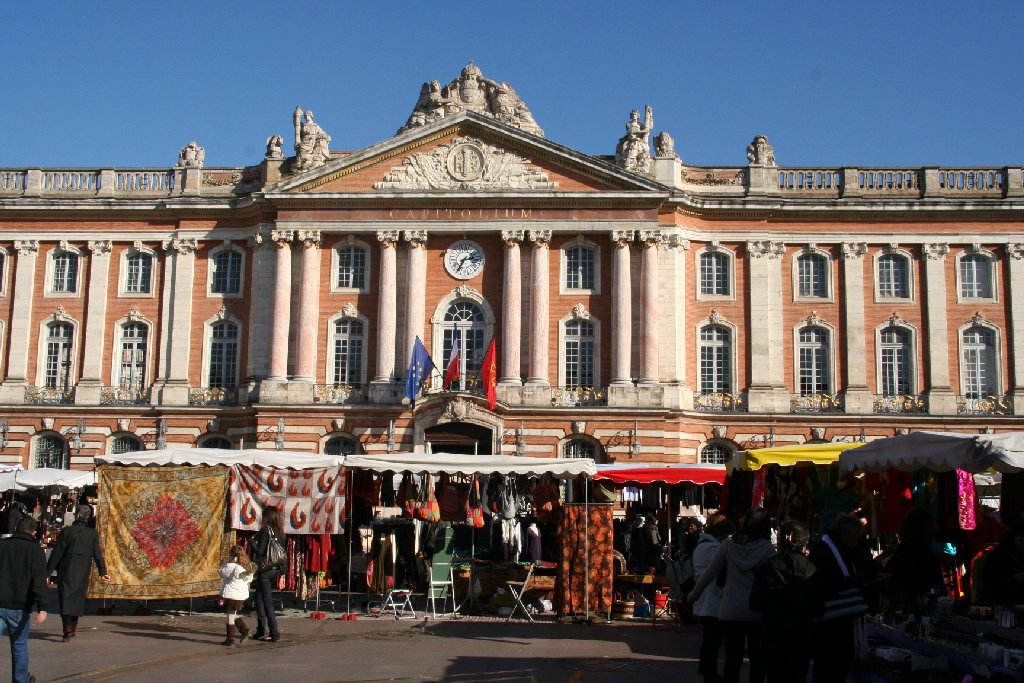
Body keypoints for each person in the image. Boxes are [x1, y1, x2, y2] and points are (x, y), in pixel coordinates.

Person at [688, 508, 775, 683]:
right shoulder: (767, 550)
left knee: (732, 660)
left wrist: (693, 594)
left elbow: (710, 573)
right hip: (755, 610)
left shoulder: (729, 545)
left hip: (730, 609)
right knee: (757, 660)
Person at [749, 520, 822, 683]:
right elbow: (818, 608)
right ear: (805, 542)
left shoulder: (768, 566)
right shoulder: (812, 569)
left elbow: (755, 603)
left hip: (774, 633)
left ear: (781, 540)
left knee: (775, 676)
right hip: (802, 635)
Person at [808, 512, 876, 683]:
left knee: (831, 669)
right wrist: (851, 582)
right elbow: (828, 583)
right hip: (831, 622)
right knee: (830, 668)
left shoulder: (835, 549)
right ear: (845, 536)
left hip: (836, 621)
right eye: (855, 539)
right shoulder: (824, 552)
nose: (855, 544)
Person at [46, 504, 110, 642]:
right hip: (83, 569)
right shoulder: (92, 534)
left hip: (66, 568)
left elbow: (57, 553)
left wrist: (48, 571)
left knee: (65, 597)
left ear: (77, 515)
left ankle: (67, 628)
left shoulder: (67, 531)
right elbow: (97, 554)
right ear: (88, 517)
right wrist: (102, 571)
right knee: (77, 598)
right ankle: (72, 627)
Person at [0, 516, 48, 683]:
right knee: (19, 646)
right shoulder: (35, 550)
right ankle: (20, 680)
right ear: (33, 533)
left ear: (16, 529)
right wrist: (42, 606)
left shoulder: (2, 546)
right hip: (20, 605)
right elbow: (39, 580)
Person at [690, 513, 737, 683]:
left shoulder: (704, 546)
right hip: (712, 601)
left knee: (711, 641)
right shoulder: (712, 549)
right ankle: (709, 674)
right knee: (712, 641)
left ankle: (709, 673)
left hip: (708, 600)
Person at [884, 507, 944, 606]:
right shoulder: (926, 555)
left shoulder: (901, 552)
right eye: (927, 528)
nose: (930, 532)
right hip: (919, 606)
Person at [251, 506, 285, 642]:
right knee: (259, 599)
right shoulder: (278, 531)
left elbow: (260, 551)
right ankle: (260, 630)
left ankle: (274, 632)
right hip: (274, 569)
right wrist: (283, 573)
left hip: (265, 570)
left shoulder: (265, 531)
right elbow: (282, 553)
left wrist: (251, 541)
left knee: (266, 601)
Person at [981, 521, 1024, 606]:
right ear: (1012, 540)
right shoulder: (997, 556)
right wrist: (1012, 579)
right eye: (1021, 541)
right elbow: (990, 583)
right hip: (1004, 603)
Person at [219, 545, 254, 646]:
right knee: (233, 613)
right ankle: (244, 630)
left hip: (232, 594)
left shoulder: (230, 566)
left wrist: (225, 564)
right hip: (241, 595)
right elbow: (249, 578)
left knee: (230, 616)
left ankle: (230, 639)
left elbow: (222, 573)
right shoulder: (246, 565)